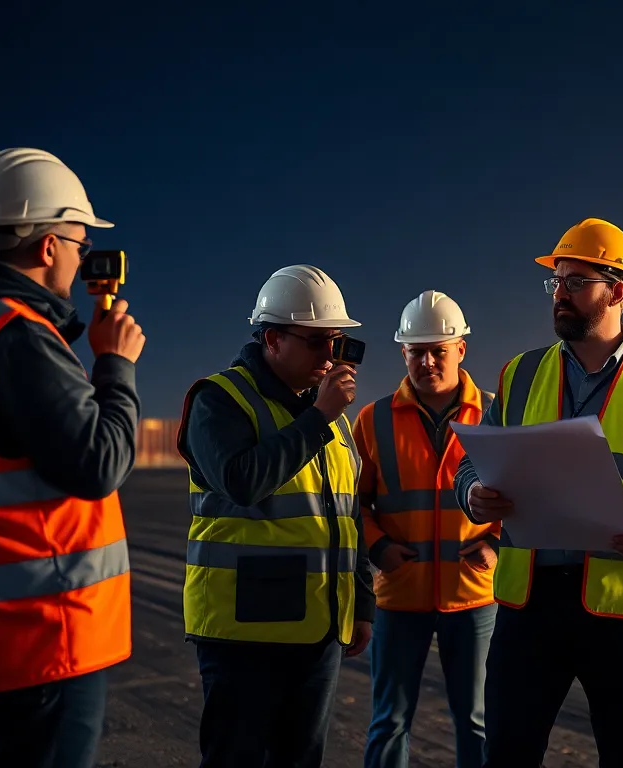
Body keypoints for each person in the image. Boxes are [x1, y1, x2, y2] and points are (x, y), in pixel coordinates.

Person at [454, 217, 623, 768]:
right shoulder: (519, 375)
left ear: (618, 292)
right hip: (529, 602)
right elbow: (470, 464)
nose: (561, 293)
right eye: (556, 281)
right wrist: (474, 492)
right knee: (506, 754)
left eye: (577, 282)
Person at [0, 147, 143, 766]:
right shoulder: (14, 335)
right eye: (80, 243)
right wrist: (115, 365)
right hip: (43, 633)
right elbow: (98, 464)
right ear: (48, 246)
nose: (83, 260)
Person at [175, 264, 374, 767]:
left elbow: (346, 513)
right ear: (272, 339)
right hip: (246, 631)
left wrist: (362, 602)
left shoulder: (330, 416)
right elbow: (242, 482)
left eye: (337, 342)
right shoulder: (220, 399)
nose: (330, 356)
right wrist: (317, 419)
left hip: (318, 627)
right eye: (317, 341)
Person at [352, 289, 499, 768]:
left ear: (461, 349)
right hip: (399, 594)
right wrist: (378, 548)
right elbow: (353, 504)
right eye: (417, 351)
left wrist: (497, 545)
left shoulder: (496, 415)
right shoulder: (373, 420)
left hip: (473, 595)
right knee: (389, 720)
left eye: (439, 350)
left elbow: (525, 497)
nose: (428, 361)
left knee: (477, 721)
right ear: (403, 353)